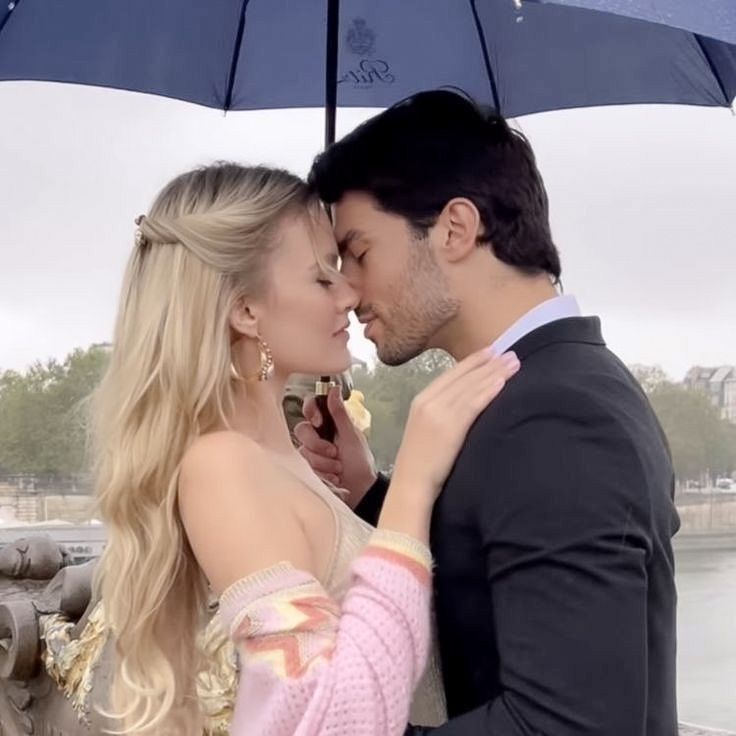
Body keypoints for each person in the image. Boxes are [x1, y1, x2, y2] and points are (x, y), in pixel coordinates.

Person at [298, 90, 680, 735]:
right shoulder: (538, 388)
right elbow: (493, 589)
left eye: (358, 252)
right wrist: (373, 497)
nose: (349, 291)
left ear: (454, 227)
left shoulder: (557, 418)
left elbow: (569, 724)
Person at [90, 162, 519, 734]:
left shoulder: (274, 457)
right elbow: (326, 722)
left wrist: (369, 493)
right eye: (321, 278)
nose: (349, 293)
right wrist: (413, 486)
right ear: (245, 310)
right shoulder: (222, 468)